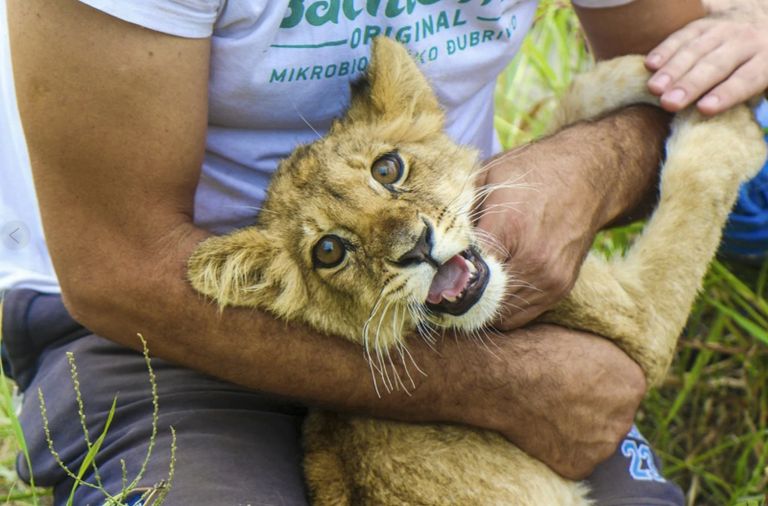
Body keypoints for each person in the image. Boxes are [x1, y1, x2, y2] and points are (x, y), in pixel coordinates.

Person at [0, 0, 766, 504]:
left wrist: (586, 167)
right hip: (167, 318)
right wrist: (507, 385)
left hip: (449, 284)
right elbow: (118, 269)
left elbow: (673, 81)